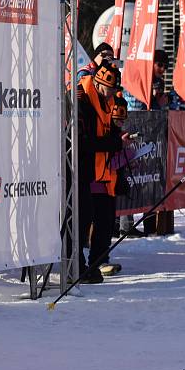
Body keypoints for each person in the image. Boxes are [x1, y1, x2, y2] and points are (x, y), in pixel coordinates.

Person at [76, 61, 133, 283]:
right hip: (80, 170)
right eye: (110, 91)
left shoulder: (104, 101)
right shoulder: (82, 99)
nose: (112, 96)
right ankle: (79, 267)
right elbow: (84, 142)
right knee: (81, 222)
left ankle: (93, 265)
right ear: (100, 84)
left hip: (100, 172)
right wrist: (114, 143)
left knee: (103, 222)